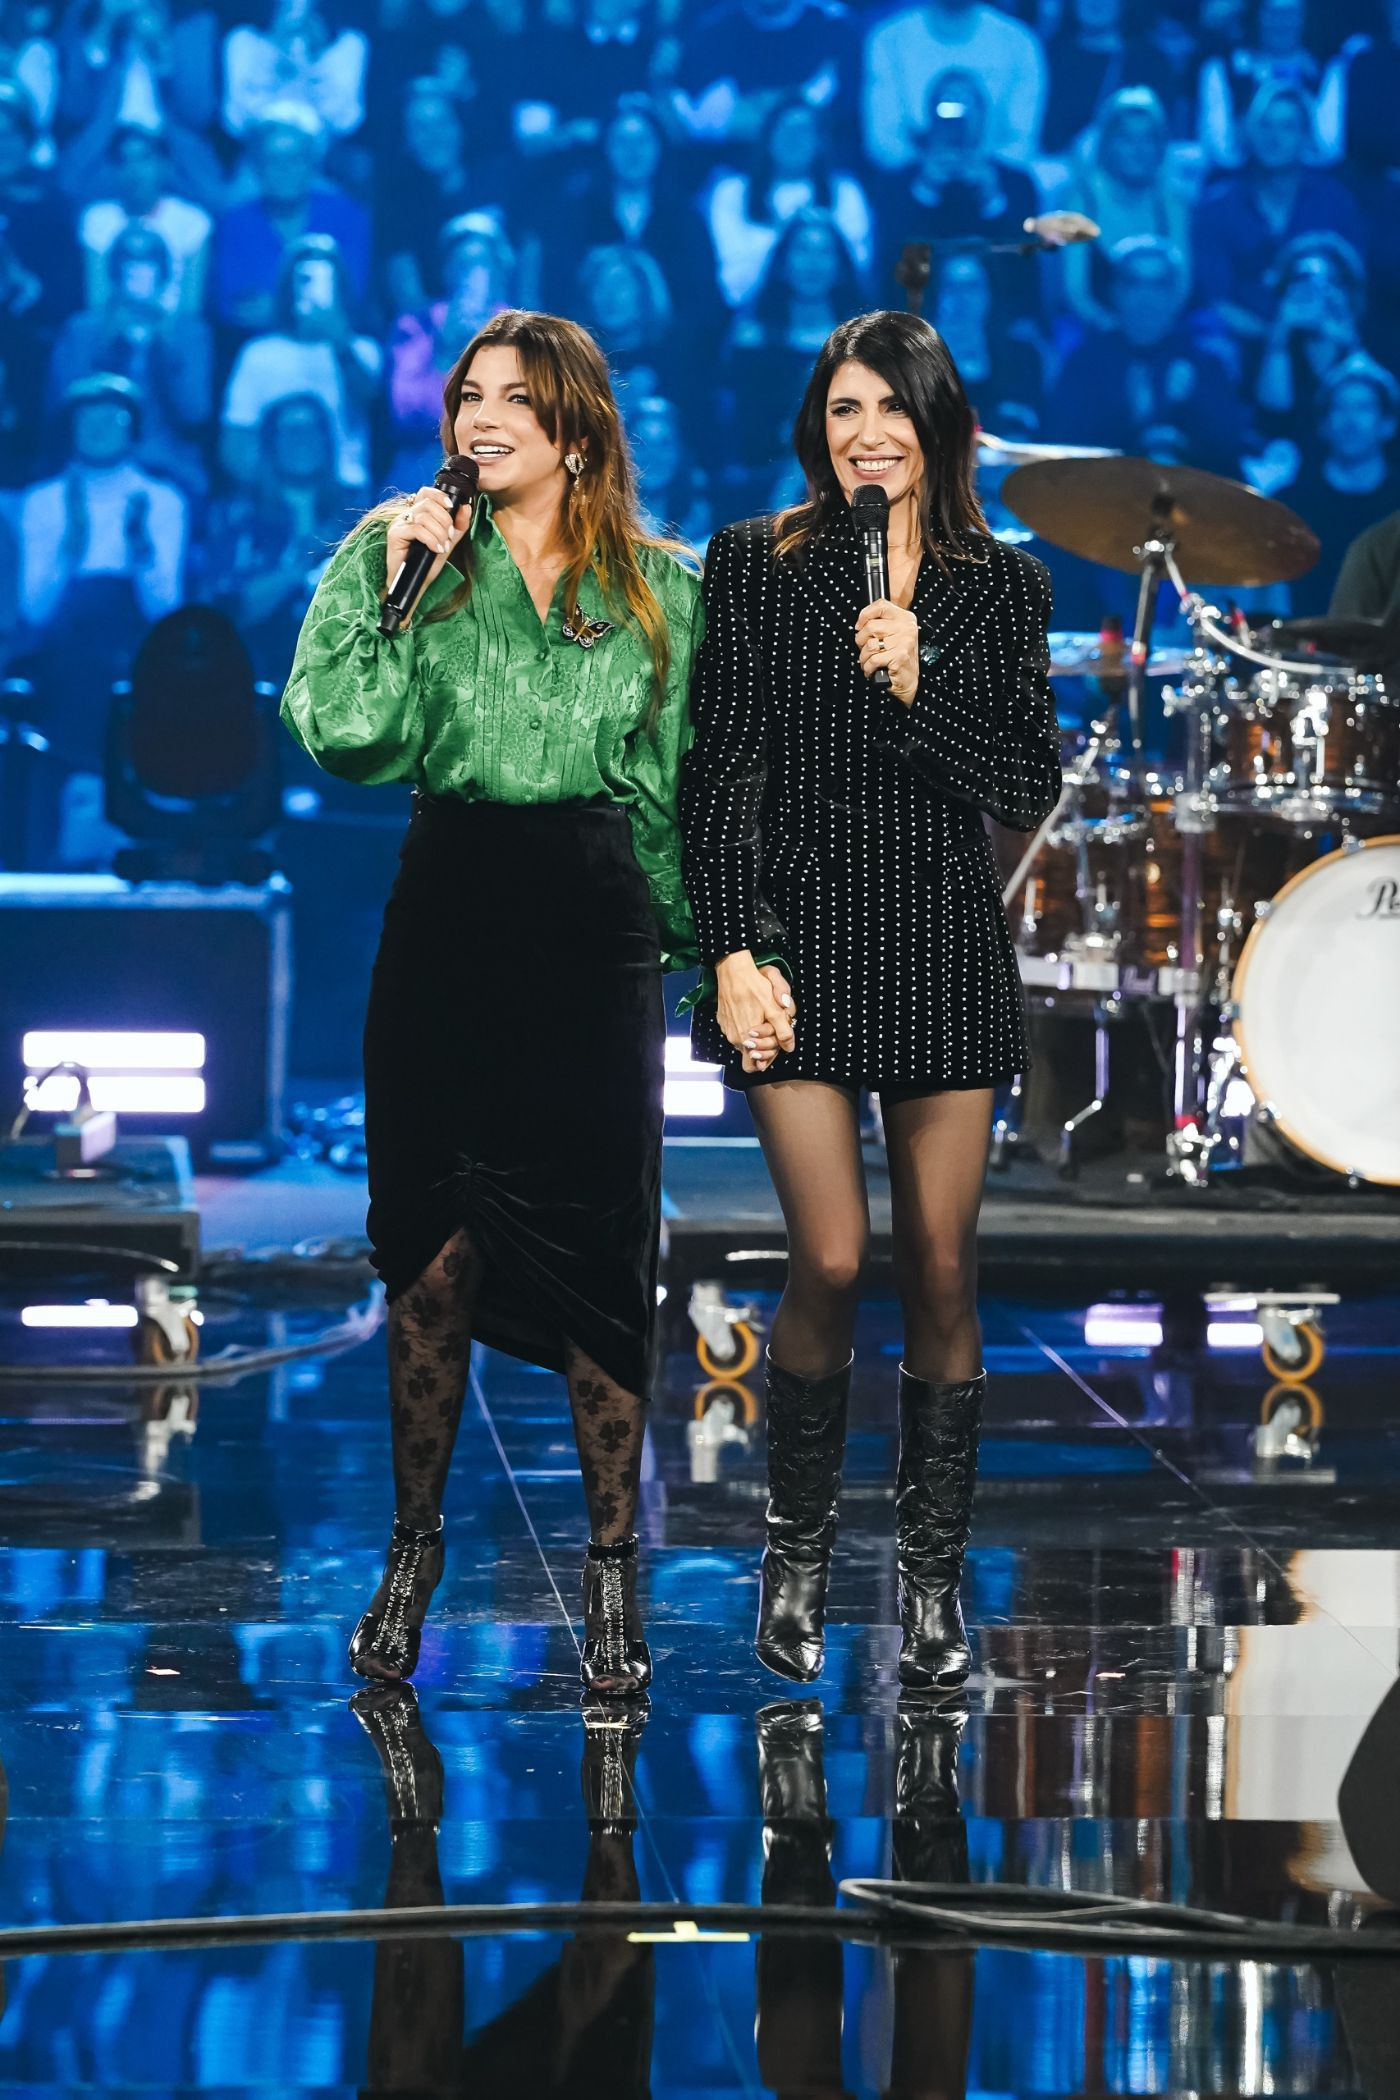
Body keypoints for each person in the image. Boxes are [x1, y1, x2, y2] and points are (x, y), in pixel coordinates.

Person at [281, 310, 707, 1699]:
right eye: (469, 394)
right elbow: (347, 736)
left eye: (515, 398)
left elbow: (683, 791)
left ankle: (610, 1571)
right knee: (431, 1256)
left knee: (600, 1261)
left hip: (589, 926)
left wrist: (715, 955)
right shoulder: (395, 551)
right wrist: (400, 591)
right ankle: (412, 1552)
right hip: (448, 915)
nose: (481, 417)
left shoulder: (661, 588)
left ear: (575, 429)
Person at [681, 309, 1059, 1690]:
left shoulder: (1000, 586)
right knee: (833, 1259)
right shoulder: (753, 562)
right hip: (798, 939)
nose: (867, 434)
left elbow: (1022, 782)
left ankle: (932, 1578)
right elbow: (718, 773)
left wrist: (921, 678)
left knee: (942, 1268)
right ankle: (794, 1555)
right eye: (844, 410)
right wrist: (731, 950)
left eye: (891, 409)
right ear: (817, 429)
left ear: (936, 425)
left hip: (937, 934)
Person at [1193, 83, 1366, 350]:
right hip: (1240, 345)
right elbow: (1215, 301)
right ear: (1248, 132)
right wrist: (1276, 338)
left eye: (1287, 127)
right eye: (1265, 125)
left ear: (1306, 136)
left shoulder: (1336, 203)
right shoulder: (1217, 206)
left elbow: (1354, 288)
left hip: (1323, 342)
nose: (1274, 138)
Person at [49, 221, 213, 494]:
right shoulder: (83, 330)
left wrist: (162, 349)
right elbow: (64, 406)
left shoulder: (189, 333)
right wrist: (111, 345)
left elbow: (195, 413)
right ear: (114, 271)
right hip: (92, 460)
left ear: (164, 273)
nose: (138, 272)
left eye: (148, 261)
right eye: (129, 261)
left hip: (169, 464)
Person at [1056, 236, 1241, 472]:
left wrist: (1186, 411)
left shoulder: (1206, 363)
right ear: (1115, 290)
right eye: (1133, 282)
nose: (1146, 296)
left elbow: (1228, 457)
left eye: (1159, 284)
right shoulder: (1085, 363)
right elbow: (1061, 446)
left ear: (1175, 293)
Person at [222, 231, 381, 493]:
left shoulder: (363, 351)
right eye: (304, 278)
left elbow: (368, 404)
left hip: (347, 490)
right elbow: (236, 442)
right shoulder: (258, 354)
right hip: (276, 496)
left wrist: (339, 341)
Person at [705, 94, 873, 313]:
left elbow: (855, 265)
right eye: (784, 129)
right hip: (749, 313)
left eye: (804, 130)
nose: (793, 138)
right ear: (767, 136)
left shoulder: (845, 191)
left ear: (820, 142)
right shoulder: (732, 192)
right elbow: (733, 276)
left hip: (830, 316)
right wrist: (793, 234)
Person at [213, 102, 370, 333]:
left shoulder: (348, 216)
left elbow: (352, 296)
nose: (284, 169)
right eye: (272, 160)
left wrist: (276, 308)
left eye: (295, 159)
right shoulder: (234, 224)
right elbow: (235, 308)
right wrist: (307, 306)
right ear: (256, 168)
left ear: (312, 166)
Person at [1057, 86, 1193, 336]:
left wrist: (1150, 332)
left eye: (1148, 139)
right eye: (1127, 138)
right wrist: (1115, 334)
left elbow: (1181, 285)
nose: (1138, 150)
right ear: (1107, 143)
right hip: (1096, 330)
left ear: (1160, 146)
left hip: (1161, 331)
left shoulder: (1171, 202)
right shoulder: (1081, 201)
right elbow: (1076, 292)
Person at [863, 0, 1048, 171]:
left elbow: (1021, 143)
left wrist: (981, 173)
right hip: (909, 182)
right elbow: (885, 144)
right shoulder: (889, 40)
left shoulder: (1019, 43)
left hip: (997, 182)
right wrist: (927, 175)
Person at [1281, 354, 1399, 613]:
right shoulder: (1291, 503)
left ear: (1388, 423)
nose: (1350, 421)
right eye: (1339, 407)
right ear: (1323, 423)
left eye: (1363, 408)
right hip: (1305, 635)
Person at [74, 123, 213, 315]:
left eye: (144, 159)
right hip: (113, 322)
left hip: (172, 324)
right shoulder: (97, 218)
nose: (134, 171)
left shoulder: (193, 220)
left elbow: (190, 305)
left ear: (165, 165)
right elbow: (98, 300)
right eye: (124, 160)